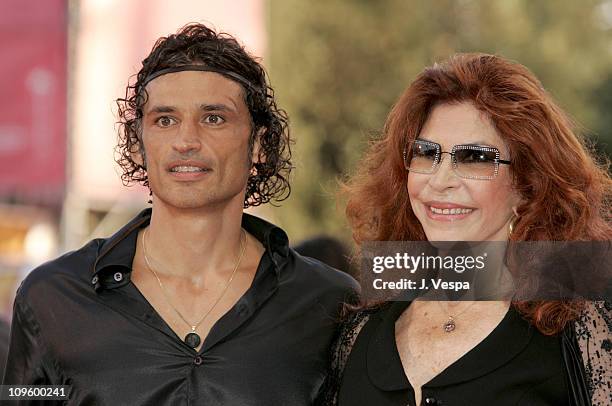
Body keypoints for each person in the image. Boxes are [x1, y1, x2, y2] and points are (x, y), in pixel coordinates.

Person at [3, 23, 358, 405]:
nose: (187, 141)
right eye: (165, 120)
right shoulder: (53, 296)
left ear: (259, 144)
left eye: (214, 118)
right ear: (138, 145)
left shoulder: (327, 303)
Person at [319, 54, 611, 405]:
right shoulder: (356, 334)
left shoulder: (586, 325)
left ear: (527, 183)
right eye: (426, 154)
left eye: (474, 158)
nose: (440, 181)